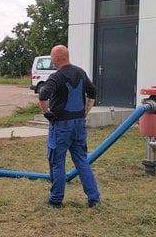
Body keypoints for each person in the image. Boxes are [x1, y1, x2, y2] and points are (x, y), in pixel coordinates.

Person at [39, 45, 100, 208]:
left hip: (60, 126)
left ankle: (56, 200)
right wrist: (85, 111)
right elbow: (93, 92)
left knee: (57, 162)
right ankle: (94, 199)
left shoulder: (56, 76)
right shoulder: (80, 72)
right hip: (79, 125)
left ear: (57, 58)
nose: (52, 60)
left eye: (52, 57)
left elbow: (43, 95)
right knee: (81, 161)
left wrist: (46, 113)